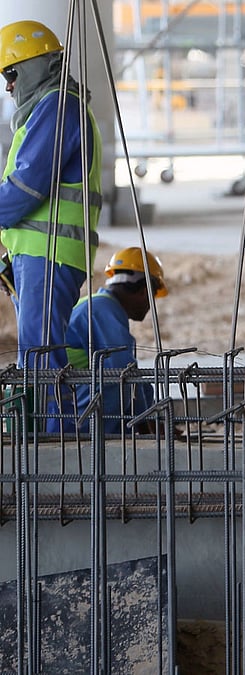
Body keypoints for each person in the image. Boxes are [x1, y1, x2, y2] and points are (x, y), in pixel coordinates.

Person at [0, 20, 102, 427]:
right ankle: (49, 449)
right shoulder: (51, 109)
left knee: (42, 357)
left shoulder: (59, 107)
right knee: (37, 355)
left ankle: (55, 457)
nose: (8, 87)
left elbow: (24, 189)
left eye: (11, 73)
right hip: (39, 254)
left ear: (34, 66)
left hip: (50, 254)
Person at [65, 248, 167, 435]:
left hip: (72, 401)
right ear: (145, 291)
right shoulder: (103, 310)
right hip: (75, 417)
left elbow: (137, 381)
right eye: (153, 297)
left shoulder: (101, 305)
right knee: (118, 381)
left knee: (140, 384)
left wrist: (155, 419)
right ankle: (106, 438)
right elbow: (125, 375)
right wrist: (148, 430)